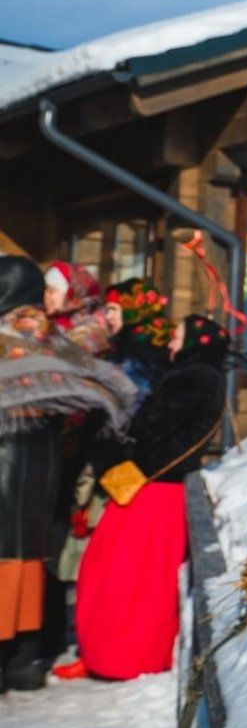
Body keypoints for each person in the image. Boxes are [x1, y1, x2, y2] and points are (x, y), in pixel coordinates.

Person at [0, 257, 134, 690]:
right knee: (31, 554)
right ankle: (24, 658)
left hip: (5, 452)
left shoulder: (6, 332)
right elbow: (96, 383)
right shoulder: (53, 336)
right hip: (43, 458)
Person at [72, 315, 229, 680]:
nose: (170, 343)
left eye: (176, 336)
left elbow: (158, 427)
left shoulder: (196, 378)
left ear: (195, 341)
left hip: (156, 491)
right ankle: (106, 653)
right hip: (151, 486)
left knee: (131, 578)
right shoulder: (193, 375)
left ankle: (126, 658)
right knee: (112, 571)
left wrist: (126, 439)